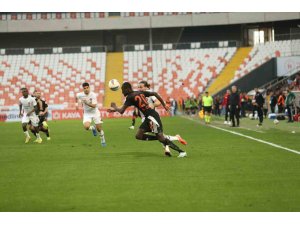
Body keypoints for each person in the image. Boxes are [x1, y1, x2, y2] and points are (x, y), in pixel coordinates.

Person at [107, 82, 187, 158]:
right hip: (148, 117)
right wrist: (164, 105)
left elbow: (121, 111)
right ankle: (160, 138)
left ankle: (181, 152)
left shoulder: (129, 97)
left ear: (127, 89)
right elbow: (155, 94)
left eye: (123, 90)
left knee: (161, 137)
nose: (122, 92)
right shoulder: (139, 92)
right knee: (139, 135)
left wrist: (115, 107)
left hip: (152, 117)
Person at [137, 80, 187, 147]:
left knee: (156, 135)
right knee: (159, 135)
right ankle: (171, 142)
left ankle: (171, 143)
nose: (139, 88)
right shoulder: (139, 95)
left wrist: (153, 105)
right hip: (145, 118)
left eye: (141, 87)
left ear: (146, 87)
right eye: (138, 87)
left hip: (151, 119)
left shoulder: (149, 93)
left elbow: (158, 102)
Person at [76, 82, 106, 146]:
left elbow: (94, 106)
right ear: (83, 89)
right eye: (84, 88)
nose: (86, 89)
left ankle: (102, 139)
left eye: (87, 88)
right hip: (87, 113)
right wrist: (76, 104)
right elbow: (76, 97)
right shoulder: (80, 95)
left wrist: (86, 103)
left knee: (99, 129)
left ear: (89, 87)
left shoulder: (93, 95)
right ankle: (92, 128)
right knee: (86, 127)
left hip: (95, 113)